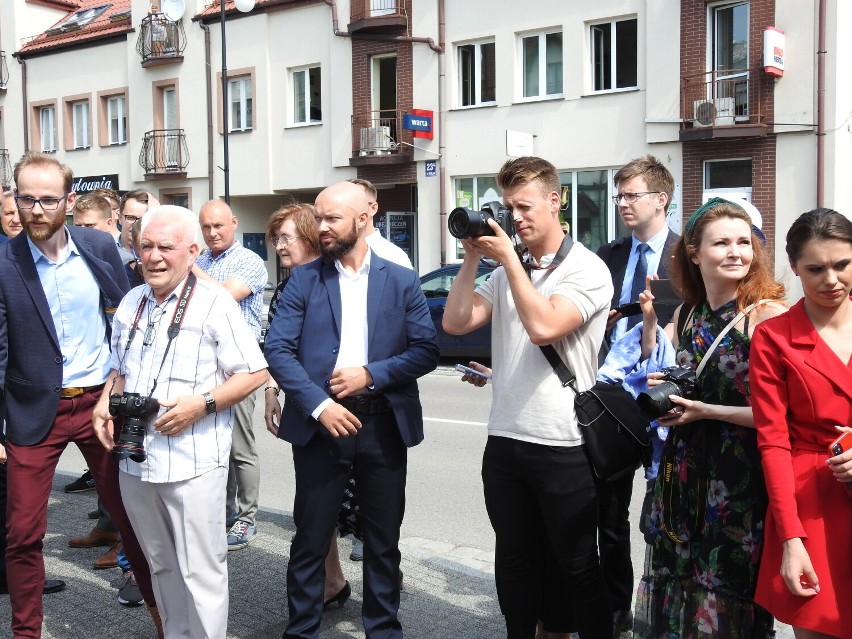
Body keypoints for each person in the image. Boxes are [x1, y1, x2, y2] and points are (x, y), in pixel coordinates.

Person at [443, 156, 614, 639]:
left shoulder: (588, 268)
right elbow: (455, 322)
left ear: (555, 201)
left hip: (565, 444)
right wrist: (475, 255)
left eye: (524, 206)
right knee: (515, 562)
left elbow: (543, 327)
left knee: (577, 565)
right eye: (508, 208)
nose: (514, 219)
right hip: (505, 440)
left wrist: (510, 260)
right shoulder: (503, 271)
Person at [265, 180, 439, 639]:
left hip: (382, 422)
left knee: (383, 542)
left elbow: (426, 351)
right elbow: (278, 350)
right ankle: (301, 630)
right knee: (310, 537)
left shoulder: (400, 279)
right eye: (318, 218)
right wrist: (320, 405)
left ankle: (383, 630)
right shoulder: (303, 279)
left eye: (331, 218)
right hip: (323, 426)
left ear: (366, 216)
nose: (320, 227)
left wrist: (372, 373)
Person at [0, 152, 161, 637]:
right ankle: (27, 632)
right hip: (33, 412)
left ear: (68, 201)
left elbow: (128, 316)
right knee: (23, 534)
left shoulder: (97, 246)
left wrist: (123, 386)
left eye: (48, 199)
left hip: (99, 406)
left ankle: (164, 622)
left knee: (135, 521)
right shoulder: (4, 261)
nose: (36, 209)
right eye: (27, 198)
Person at [91, 205, 267, 639]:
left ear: (191, 252)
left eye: (165, 248)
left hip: (194, 461)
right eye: (145, 246)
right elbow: (119, 368)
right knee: (160, 564)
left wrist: (202, 404)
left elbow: (254, 372)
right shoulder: (131, 300)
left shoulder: (215, 303)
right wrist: (104, 402)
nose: (153, 256)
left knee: (201, 572)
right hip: (136, 459)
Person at [632, 198, 786, 639]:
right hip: (683, 473)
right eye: (722, 243)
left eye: (745, 242)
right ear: (694, 253)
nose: (736, 252)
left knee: (727, 592)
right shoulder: (686, 313)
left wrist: (706, 411)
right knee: (681, 585)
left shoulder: (766, 316)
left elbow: (784, 417)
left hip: (738, 478)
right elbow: (664, 367)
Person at [750, 208, 852, 639]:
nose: (831, 279)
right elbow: (773, 442)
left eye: (842, 264)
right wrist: (791, 539)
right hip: (812, 502)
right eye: (816, 268)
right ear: (794, 268)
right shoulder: (773, 337)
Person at [595, 155, 679, 638]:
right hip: (613, 399)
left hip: (668, 399)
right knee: (609, 514)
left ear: (660, 199)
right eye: (619, 195)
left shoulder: (688, 254)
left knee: (666, 510)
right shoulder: (607, 256)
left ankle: (669, 606)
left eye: (633, 195)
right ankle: (615, 608)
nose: (623, 203)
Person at [193, 199, 267, 550]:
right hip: (206, 365)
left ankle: (247, 518)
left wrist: (188, 269)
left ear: (233, 223)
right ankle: (222, 513)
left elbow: (224, 296)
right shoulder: (202, 260)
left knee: (239, 446)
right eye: (206, 227)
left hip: (241, 367)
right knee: (213, 445)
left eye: (218, 226)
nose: (212, 233)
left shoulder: (249, 260)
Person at [348, 178, 414, 269]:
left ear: (373, 208)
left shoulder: (394, 257)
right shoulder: (331, 254)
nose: (348, 210)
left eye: (356, 203)